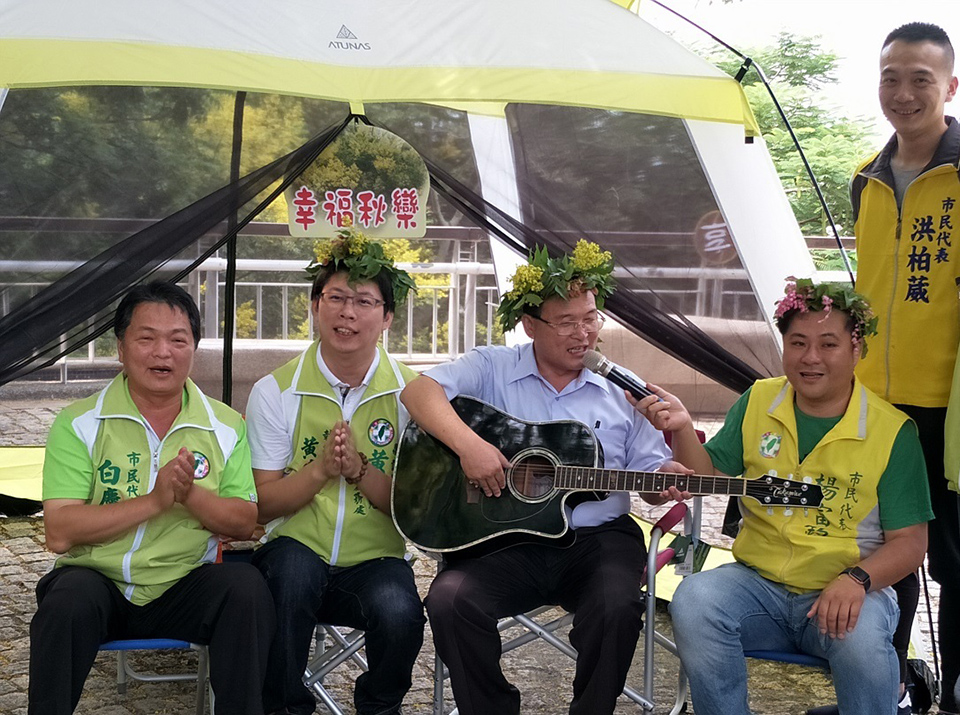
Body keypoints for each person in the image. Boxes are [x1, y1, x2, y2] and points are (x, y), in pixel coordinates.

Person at [400, 241, 688, 715]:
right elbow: (418, 391)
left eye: (592, 318)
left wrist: (665, 479)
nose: (585, 333)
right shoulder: (492, 367)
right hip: (502, 537)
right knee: (450, 601)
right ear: (531, 325)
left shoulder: (624, 389)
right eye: (568, 322)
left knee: (617, 608)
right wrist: (470, 447)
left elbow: (652, 484)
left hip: (598, 541)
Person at [636, 278, 933, 715]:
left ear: (857, 350)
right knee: (695, 600)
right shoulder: (759, 399)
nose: (810, 358)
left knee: (864, 639)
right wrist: (680, 427)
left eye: (828, 344)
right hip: (756, 586)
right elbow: (704, 475)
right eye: (798, 343)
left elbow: (911, 542)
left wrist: (858, 580)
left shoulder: (892, 432)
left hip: (846, 589)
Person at [28, 282, 274, 715]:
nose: (164, 352)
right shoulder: (79, 422)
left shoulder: (226, 425)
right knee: (65, 601)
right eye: (146, 338)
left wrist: (189, 496)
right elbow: (60, 532)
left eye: (178, 339)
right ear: (121, 348)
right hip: (97, 583)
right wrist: (156, 501)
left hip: (183, 585)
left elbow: (244, 521)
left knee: (246, 588)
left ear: (194, 348)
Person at [246, 229, 425, 715]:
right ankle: (284, 708)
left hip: (376, 558)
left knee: (401, 613)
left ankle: (379, 707)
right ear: (314, 305)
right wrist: (322, 470)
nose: (348, 312)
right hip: (295, 546)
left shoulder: (413, 394)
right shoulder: (274, 391)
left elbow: (415, 510)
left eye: (364, 301)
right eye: (336, 298)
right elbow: (262, 503)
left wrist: (359, 470)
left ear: (387, 317)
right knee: (287, 582)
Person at [851, 21, 960, 714]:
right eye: (891, 77)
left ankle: (955, 690)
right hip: (879, 406)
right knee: (886, 552)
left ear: (949, 86)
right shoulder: (866, 177)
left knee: (956, 560)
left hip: (952, 405)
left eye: (921, 78)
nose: (904, 92)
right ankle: (886, 683)